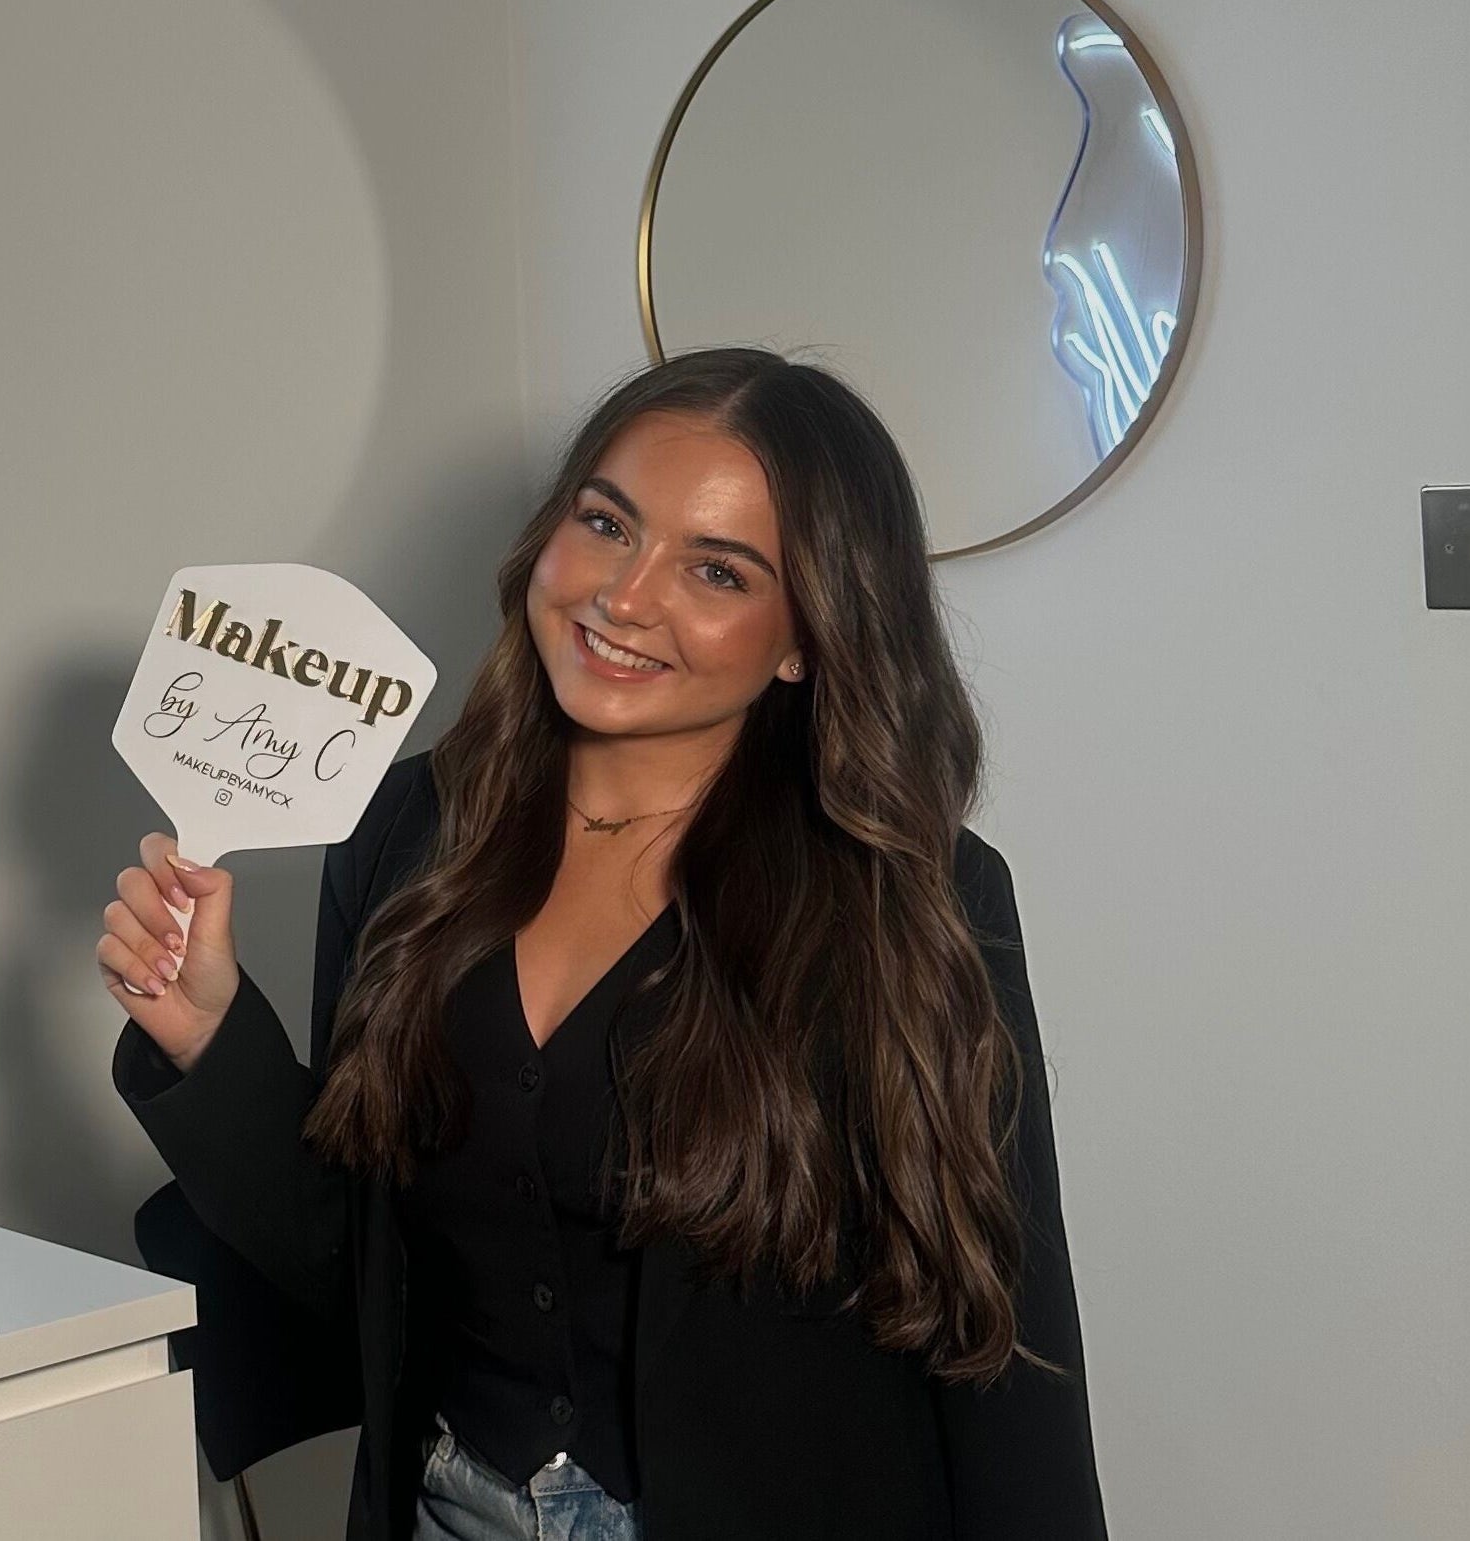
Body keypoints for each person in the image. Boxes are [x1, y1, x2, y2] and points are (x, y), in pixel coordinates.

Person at [98, 350, 1105, 1541]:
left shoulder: (913, 894)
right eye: (607, 523)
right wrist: (212, 1036)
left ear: (805, 637)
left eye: (718, 571)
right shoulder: (403, 834)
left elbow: (998, 1329)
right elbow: (360, 1272)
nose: (625, 598)